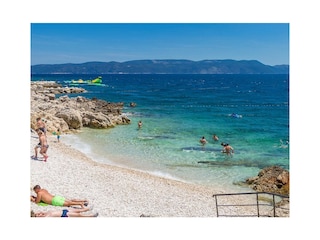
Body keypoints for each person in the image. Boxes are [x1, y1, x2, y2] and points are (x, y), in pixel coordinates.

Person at [31, 207, 98, 217]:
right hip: (64, 214)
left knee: (78, 210)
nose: (38, 213)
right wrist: (41, 215)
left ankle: (87, 209)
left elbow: (41, 212)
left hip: (63, 211)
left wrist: (40, 212)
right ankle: (91, 216)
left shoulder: (44, 213)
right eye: (36, 214)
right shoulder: (45, 217)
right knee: (79, 215)